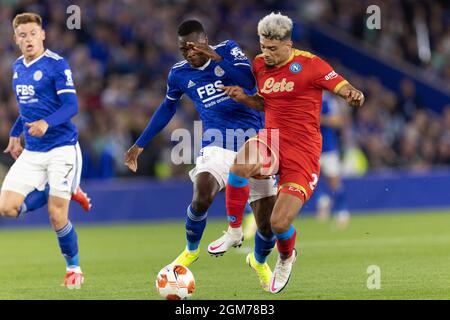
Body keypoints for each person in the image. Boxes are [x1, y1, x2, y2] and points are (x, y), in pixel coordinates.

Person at [218, 12, 364, 293]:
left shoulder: (311, 65)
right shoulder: (260, 65)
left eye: (273, 48)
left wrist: (353, 94)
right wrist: (246, 98)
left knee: (278, 222)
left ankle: (286, 258)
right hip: (271, 140)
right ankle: (234, 229)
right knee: (239, 166)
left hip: (304, 152)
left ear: (288, 44)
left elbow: (344, 87)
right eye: (263, 47)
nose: (266, 54)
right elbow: (266, 103)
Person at [124, 20, 277, 269]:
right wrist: (139, 145)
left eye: (193, 47)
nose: (189, 54)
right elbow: (167, 108)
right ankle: (191, 250)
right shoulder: (179, 74)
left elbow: (249, 82)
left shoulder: (228, 49)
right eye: (184, 49)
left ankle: (258, 262)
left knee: (268, 227)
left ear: (204, 39)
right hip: (217, 144)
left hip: (254, 141)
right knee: (202, 195)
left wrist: (214, 57)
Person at [0, 13, 86, 289]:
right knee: (7, 208)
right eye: (22, 35)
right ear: (15, 38)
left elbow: (72, 106)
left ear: (43, 35)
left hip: (62, 149)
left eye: (32, 34)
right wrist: (16, 133)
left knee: (56, 216)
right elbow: (28, 108)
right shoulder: (17, 67)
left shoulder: (56, 65)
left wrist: (47, 123)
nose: (28, 39)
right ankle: (64, 190)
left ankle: (74, 268)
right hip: (33, 152)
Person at [316, 92, 350, 229]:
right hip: (311, 148)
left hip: (328, 148)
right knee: (307, 179)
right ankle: (322, 200)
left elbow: (338, 121)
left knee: (334, 183)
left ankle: (342, 212)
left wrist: (319, 119)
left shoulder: (327, 100)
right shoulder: (303, 98)